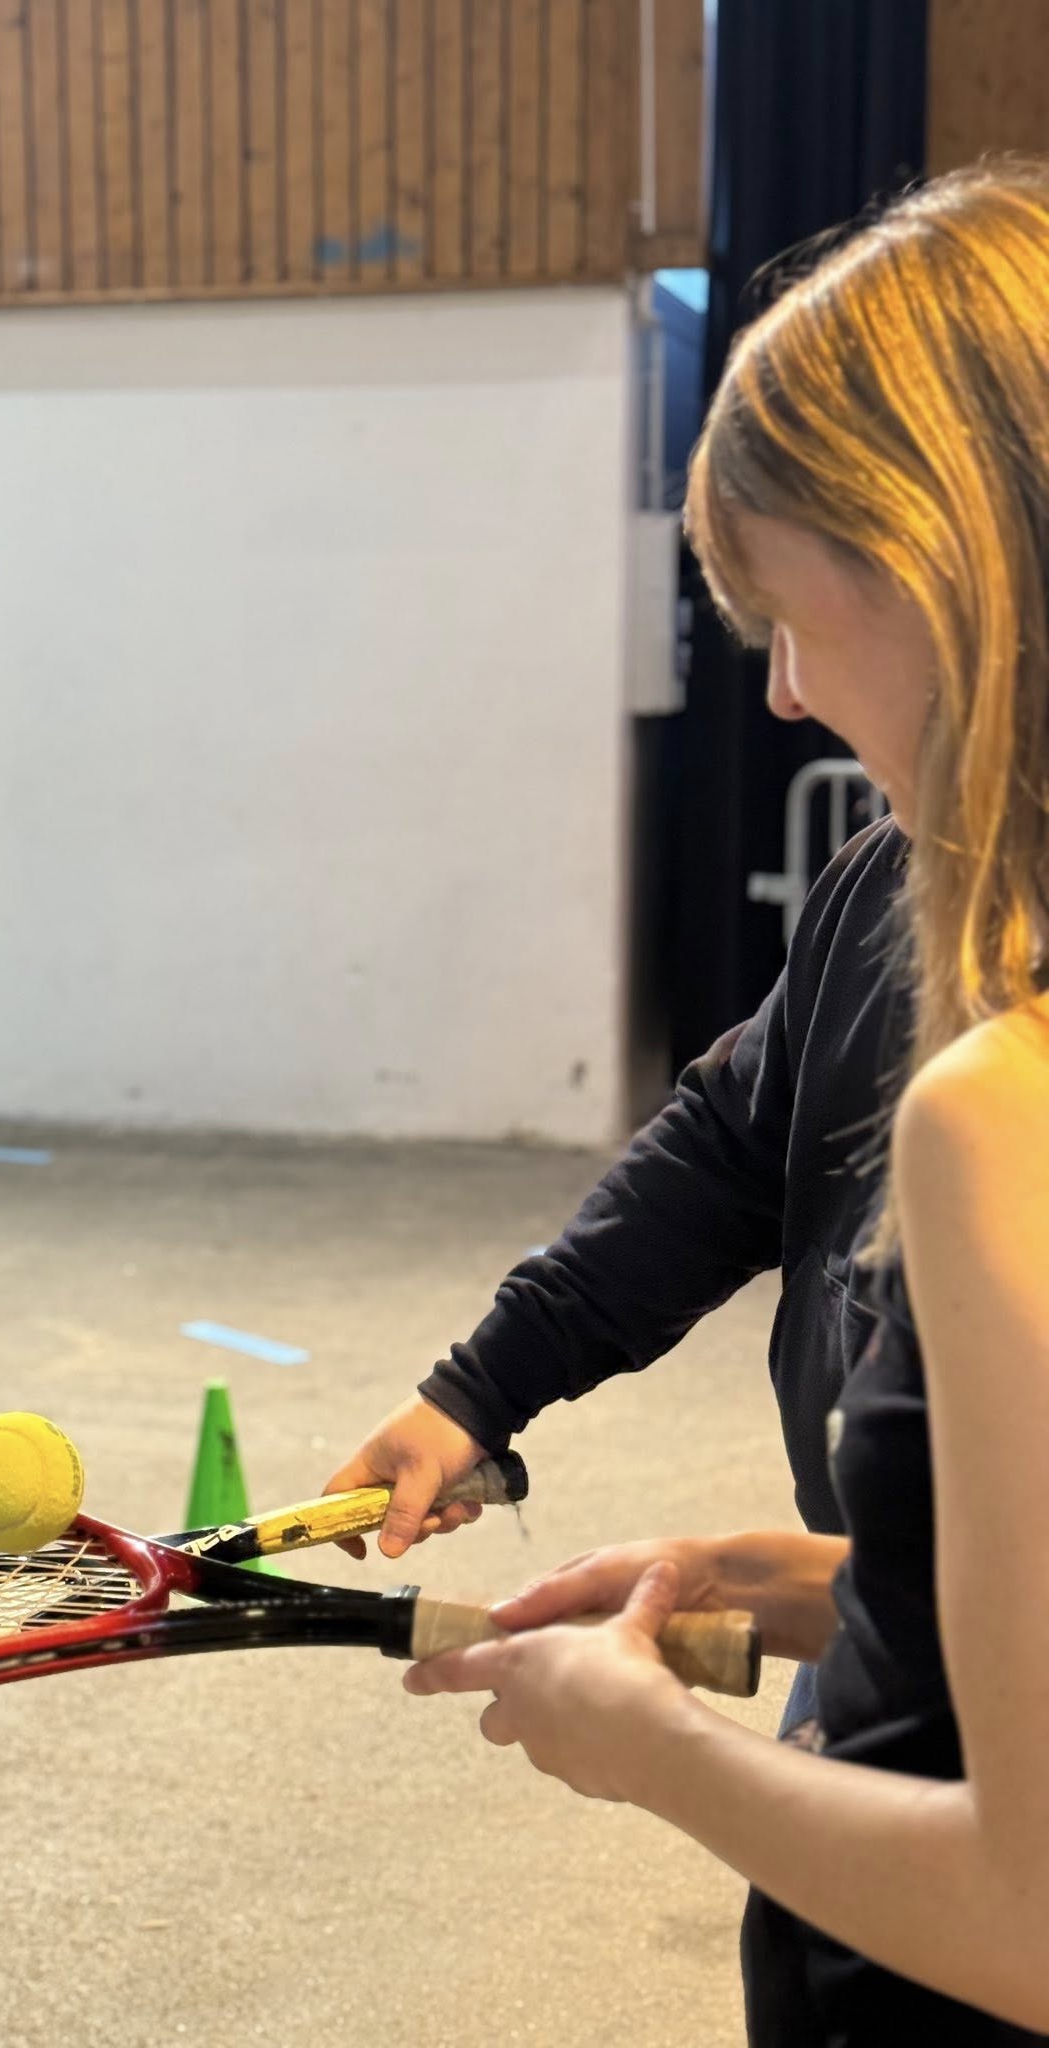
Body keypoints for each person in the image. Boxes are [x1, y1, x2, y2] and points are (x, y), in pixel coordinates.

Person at [336, 160, 1049, 2041]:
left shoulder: (1003, 1110)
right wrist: (757, 1568)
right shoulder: (893, 895)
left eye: (790, 619)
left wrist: (648, 1745)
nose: (788, 697)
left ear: (949, 569)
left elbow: (1031, 1908)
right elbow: (730, 1147)